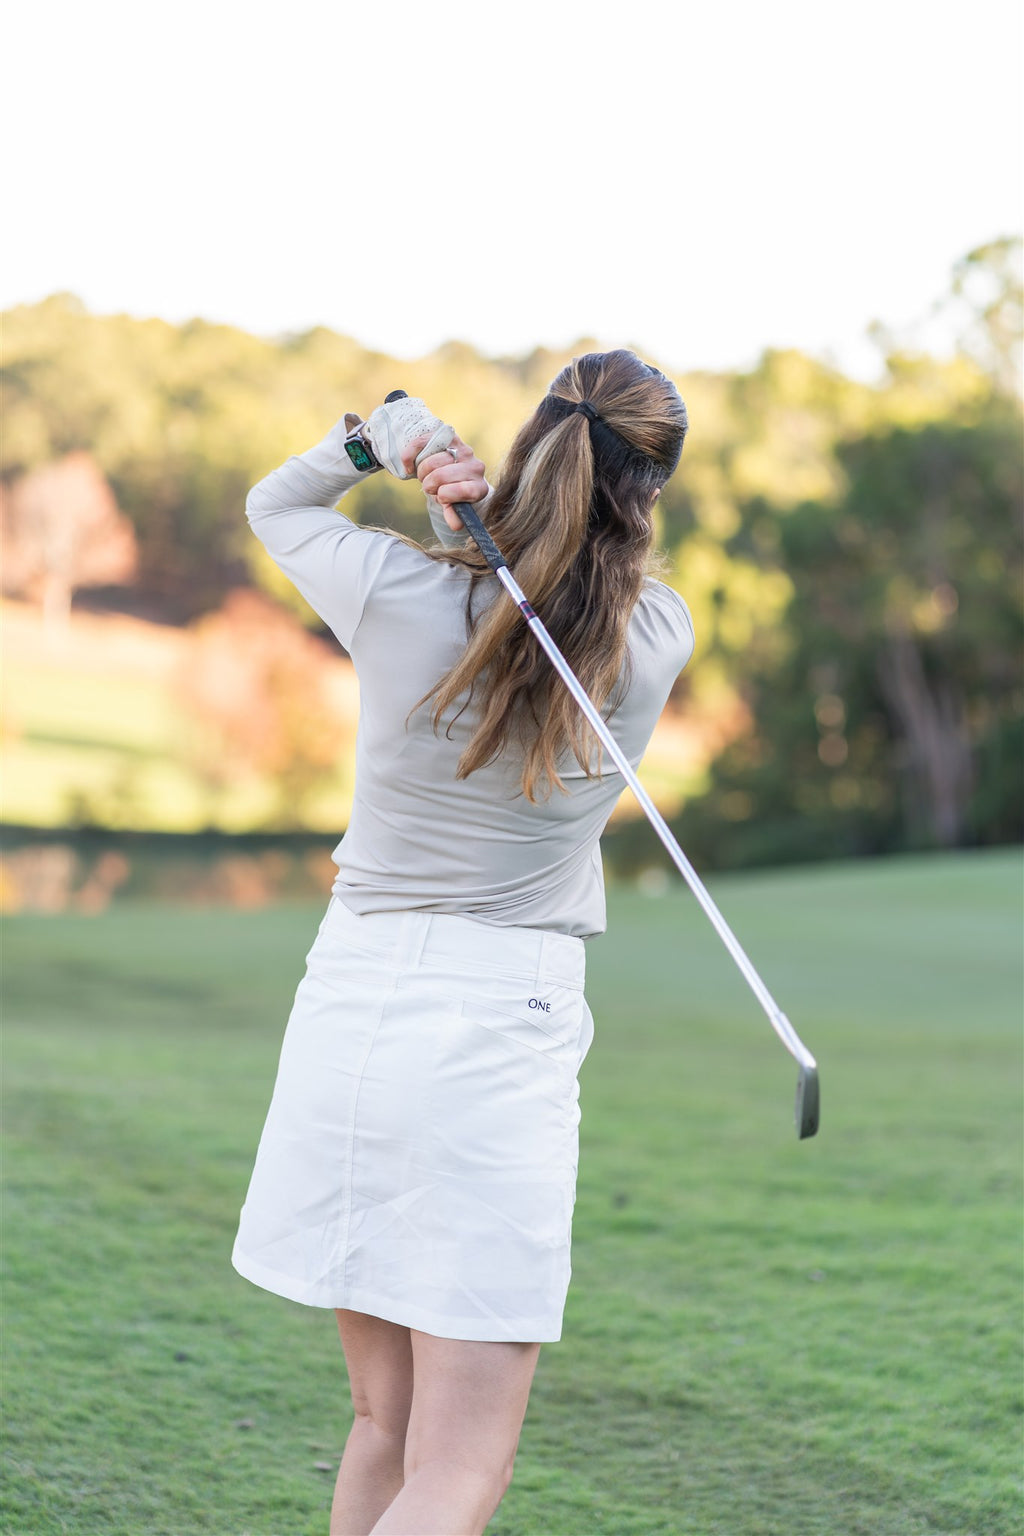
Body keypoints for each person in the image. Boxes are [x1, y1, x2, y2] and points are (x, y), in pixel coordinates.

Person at [231, 350, 694, 1535]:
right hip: (496, 1029)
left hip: (350, 1009)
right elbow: (568, 593)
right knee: (460, 1467)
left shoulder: (397, 592)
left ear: (534, 439)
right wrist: (480, 528)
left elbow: (274, 505)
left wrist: (382, 444)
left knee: (386, 1428)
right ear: (651, 492)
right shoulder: (657, 639)